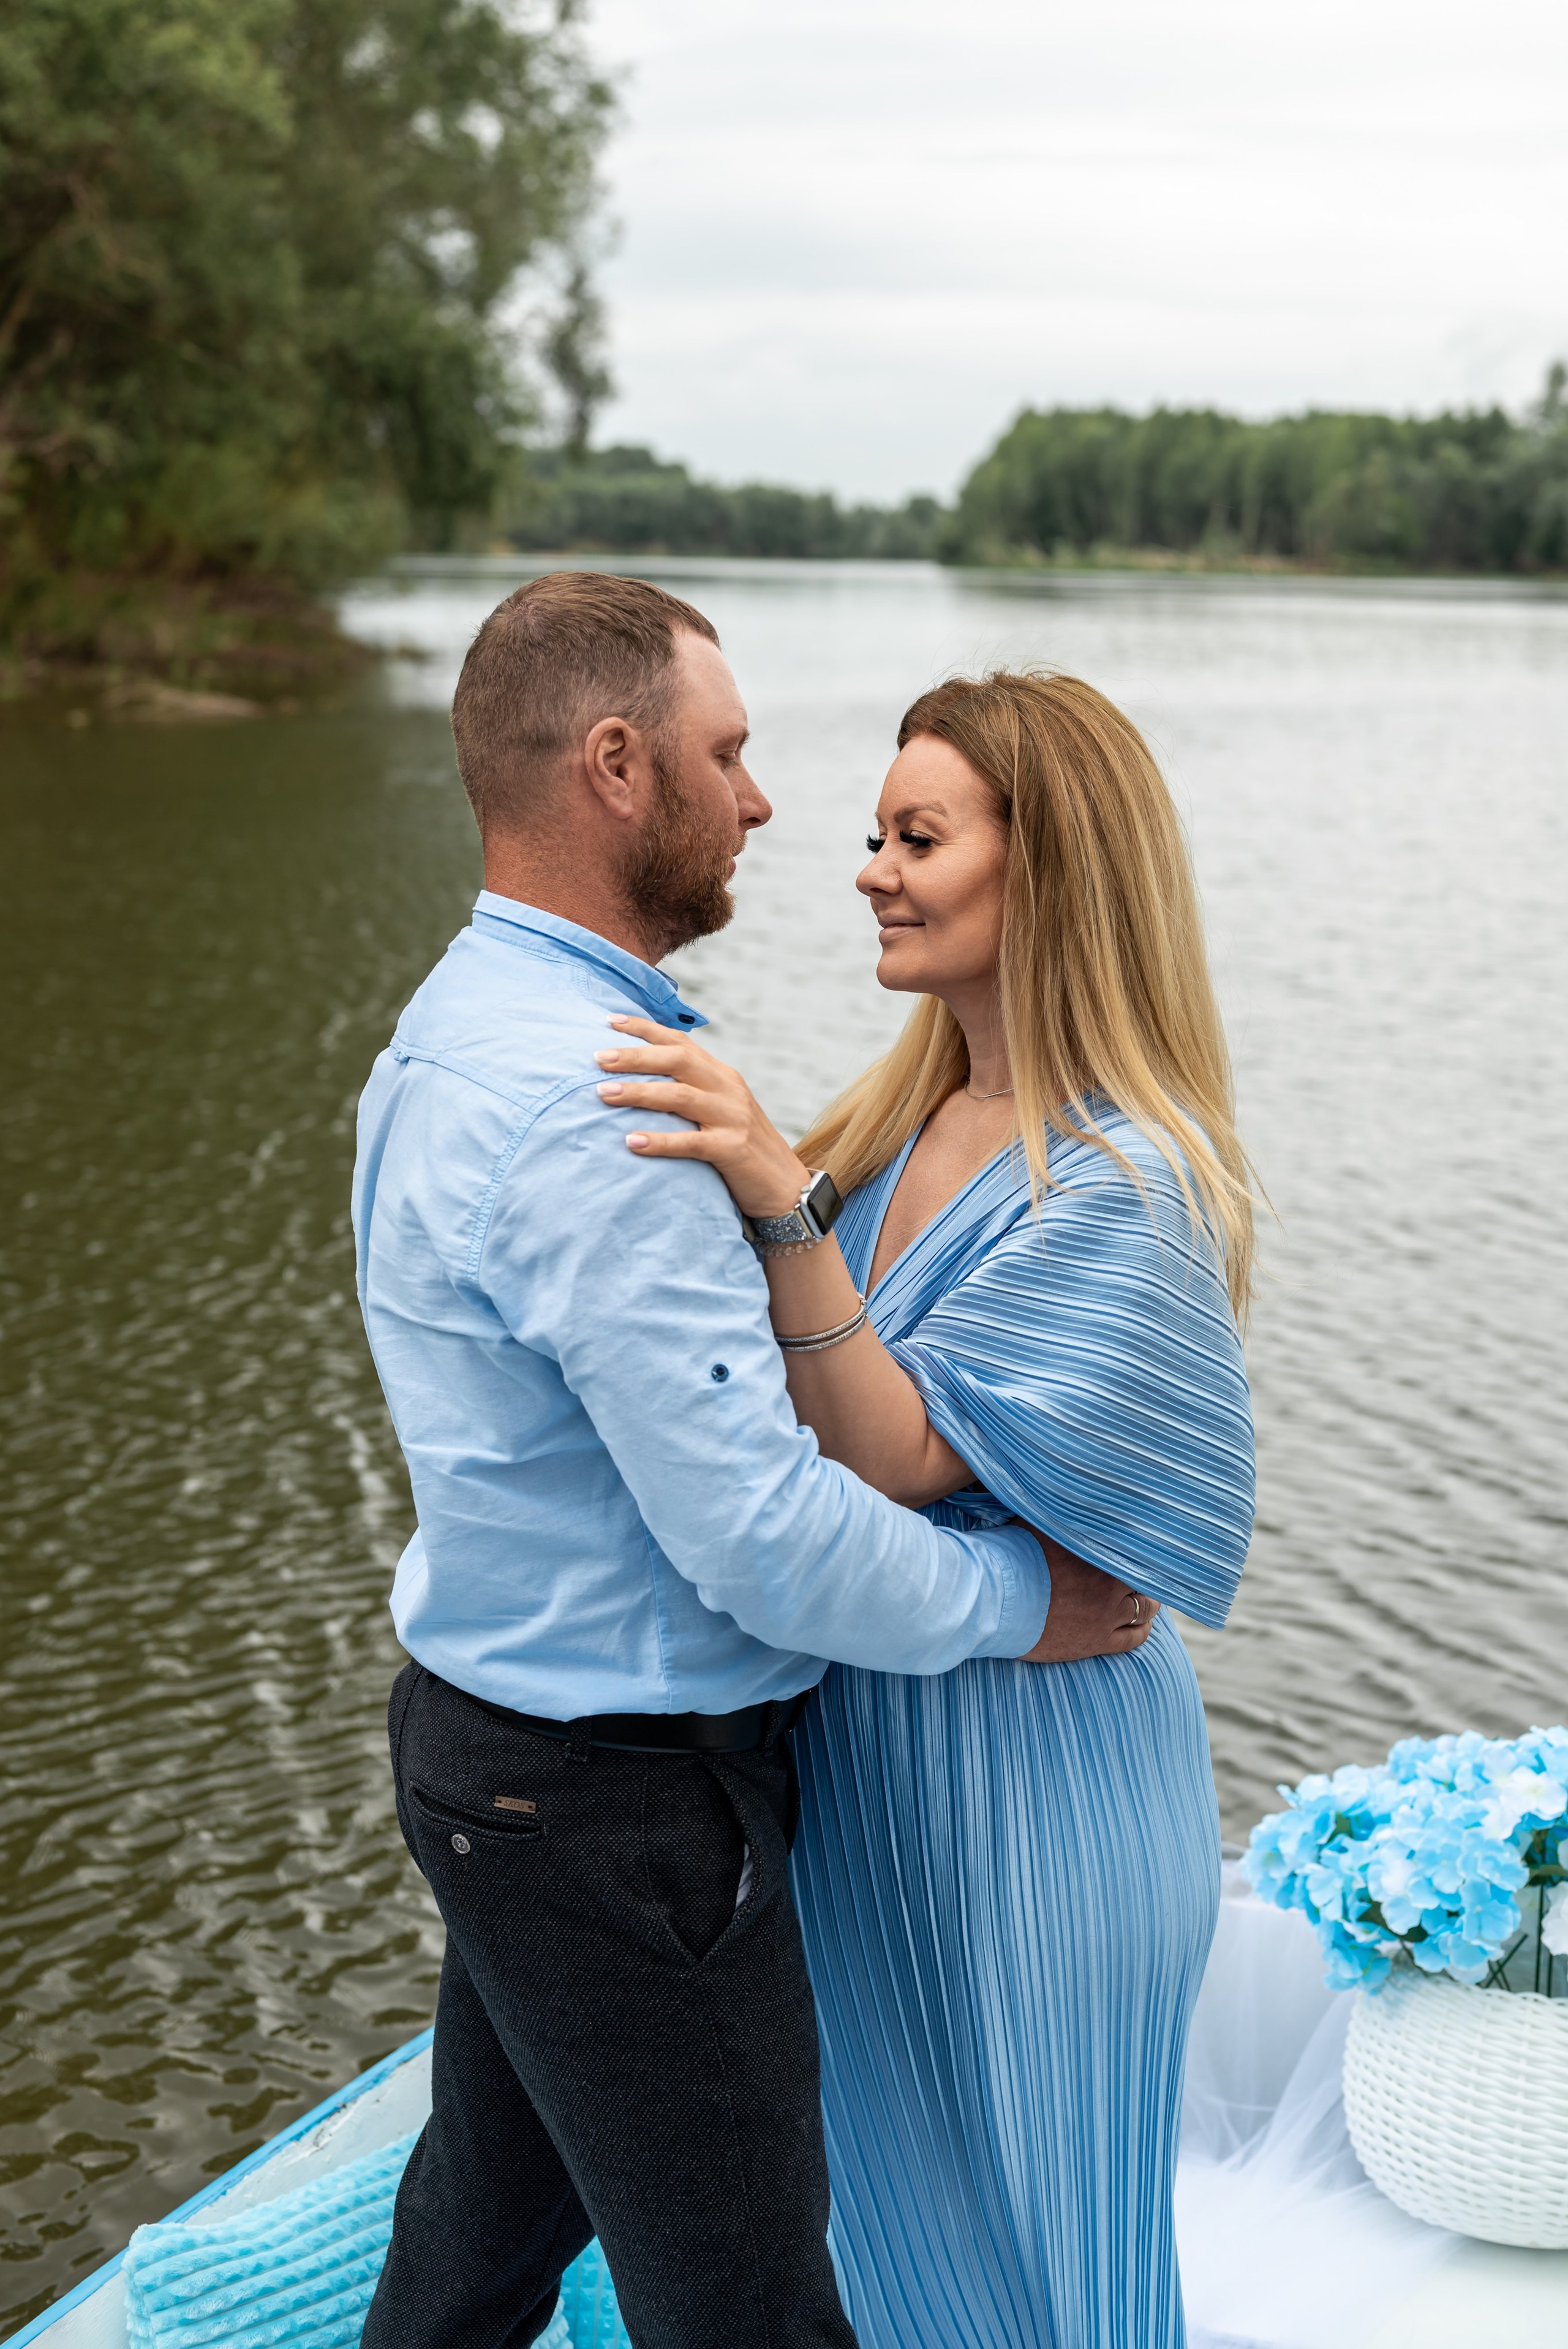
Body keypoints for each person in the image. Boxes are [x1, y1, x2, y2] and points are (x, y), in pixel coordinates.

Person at [351, 580, 1150, 2349]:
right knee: (752, 2311)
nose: (765, 802)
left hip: (492, 1753)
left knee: (477, 2239)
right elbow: (767, 1542)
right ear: (617, 766)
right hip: (621, 1809)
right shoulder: (604, 1104)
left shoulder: (451, 1026)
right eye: (730, 755)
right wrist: (1018, 1598)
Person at [595, 667, 1256, 2348]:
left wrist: (774, 1196)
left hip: (1049, 1783)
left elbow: (893, 1453)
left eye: (918, 837)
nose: (871, 870)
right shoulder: (891, 1125)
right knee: (887, 2235)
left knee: (1058, 2255)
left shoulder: (1125, 1177)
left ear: (1053, 864)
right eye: (877, 835)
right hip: (872, 1773)